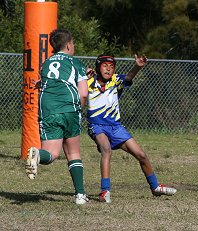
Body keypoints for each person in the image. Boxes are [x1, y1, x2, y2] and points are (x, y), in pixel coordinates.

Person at [86, 54, 177, 203]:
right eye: (105, 66)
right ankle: (105, 191)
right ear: (98, 67)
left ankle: (155, 187)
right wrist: (83, 72)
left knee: (141, 154)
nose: (109, 69)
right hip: (96, 126)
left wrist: (138, 66)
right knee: (106, 149)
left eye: (111, 66)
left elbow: (128, 77)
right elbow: (74, 78)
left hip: (116, 127)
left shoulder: (115, 80)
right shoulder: (88, 81)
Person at [25, 29, 89, 205]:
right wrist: (77, 110)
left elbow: (47, 83)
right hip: (69, 109)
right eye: (73, 43)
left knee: (51, 154)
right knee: (74, 152)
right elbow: (83, 93)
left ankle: (37, 155)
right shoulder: (76, 63)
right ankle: (80, 196)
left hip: (49, 110)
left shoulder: (45, 64)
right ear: (69, 45)